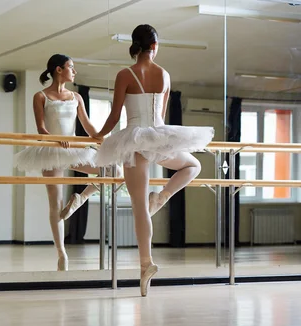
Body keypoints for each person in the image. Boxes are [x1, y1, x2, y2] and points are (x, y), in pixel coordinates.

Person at [60, 24, 214, 296]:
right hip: (156, 135)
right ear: (154, 46)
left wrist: (98, 134)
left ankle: (147, 263)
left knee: (139, 206)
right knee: (194, 165)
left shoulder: (125, 74)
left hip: (132, 140)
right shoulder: (164, 75)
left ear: (135, 46)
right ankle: (163, 197)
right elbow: (161, 117)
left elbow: (114, 116)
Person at [14, 54, 120, 271]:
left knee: (114, 169)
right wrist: (53, 138)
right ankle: (61, 254)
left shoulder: (77, 97)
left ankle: (81, 198)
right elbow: (41, 129)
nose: (75, 71)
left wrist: (105, 139)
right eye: (71, 67)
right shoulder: (41, 96)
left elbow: (88, 127)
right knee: (55, 202)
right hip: (51, 150)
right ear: (59, 69)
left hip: (73, 150)